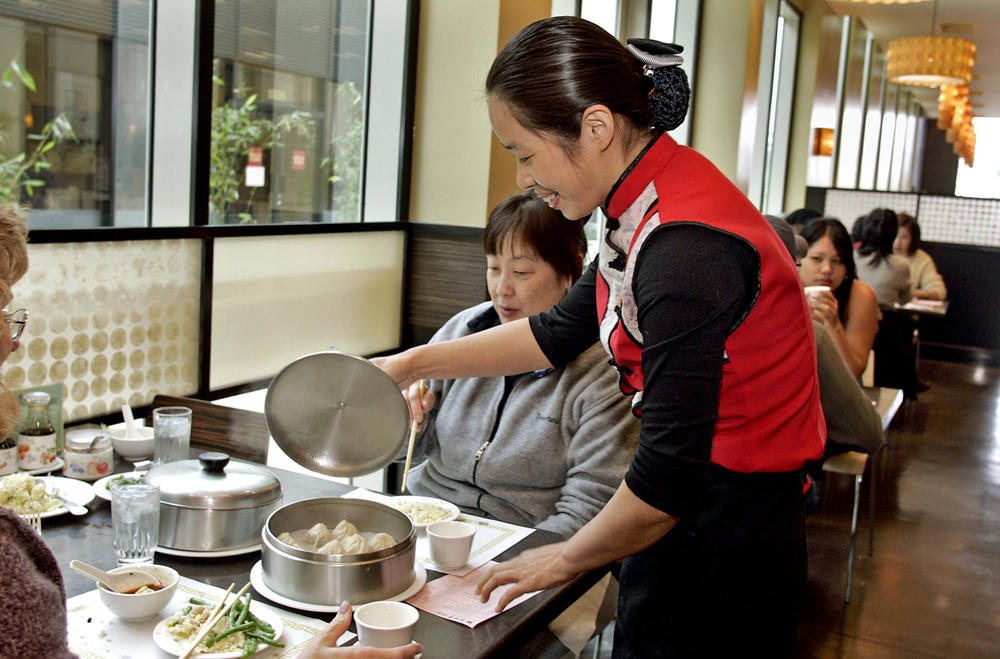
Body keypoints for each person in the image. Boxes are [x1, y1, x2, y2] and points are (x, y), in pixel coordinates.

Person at [373, 17, 824, 657]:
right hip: (683, 510)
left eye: (526, 154)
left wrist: (557, 563)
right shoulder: (637, 206)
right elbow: (556, 333)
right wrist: (414, 362)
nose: (525, 178)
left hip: (730, 526)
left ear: (595, 127)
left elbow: (667, 478)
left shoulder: (683, 248)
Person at [405, 191, 638, 537]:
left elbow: (589, 511)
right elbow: (405, 452)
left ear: (570, 274)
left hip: (526, 542)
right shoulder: (462, 331)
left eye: (522, 271)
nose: (502, 289)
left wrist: (514, 565)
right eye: (493, 268)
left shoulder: (604, 371)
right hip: (431, 523)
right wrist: (407, 417)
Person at [799, 218, 879, 380]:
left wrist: (833, 325)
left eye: (837, 261)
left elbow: (853, 373)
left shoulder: (860, 295)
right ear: (798, 260)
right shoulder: (784, 290)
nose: (827, 269)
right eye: (817, 259)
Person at [854, 207, 912, 308]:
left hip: (849, 317)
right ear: (894, 234)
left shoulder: (852, 257)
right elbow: (905, 300)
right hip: (885, 321)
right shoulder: (901, 265)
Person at [894, 212, 947, 301]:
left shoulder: (922, 259)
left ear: (913, 239)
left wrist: (911, 293)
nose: (897, 242)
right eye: (894, 236)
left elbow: (940, 292)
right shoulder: (878, 254)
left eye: (904, 238)